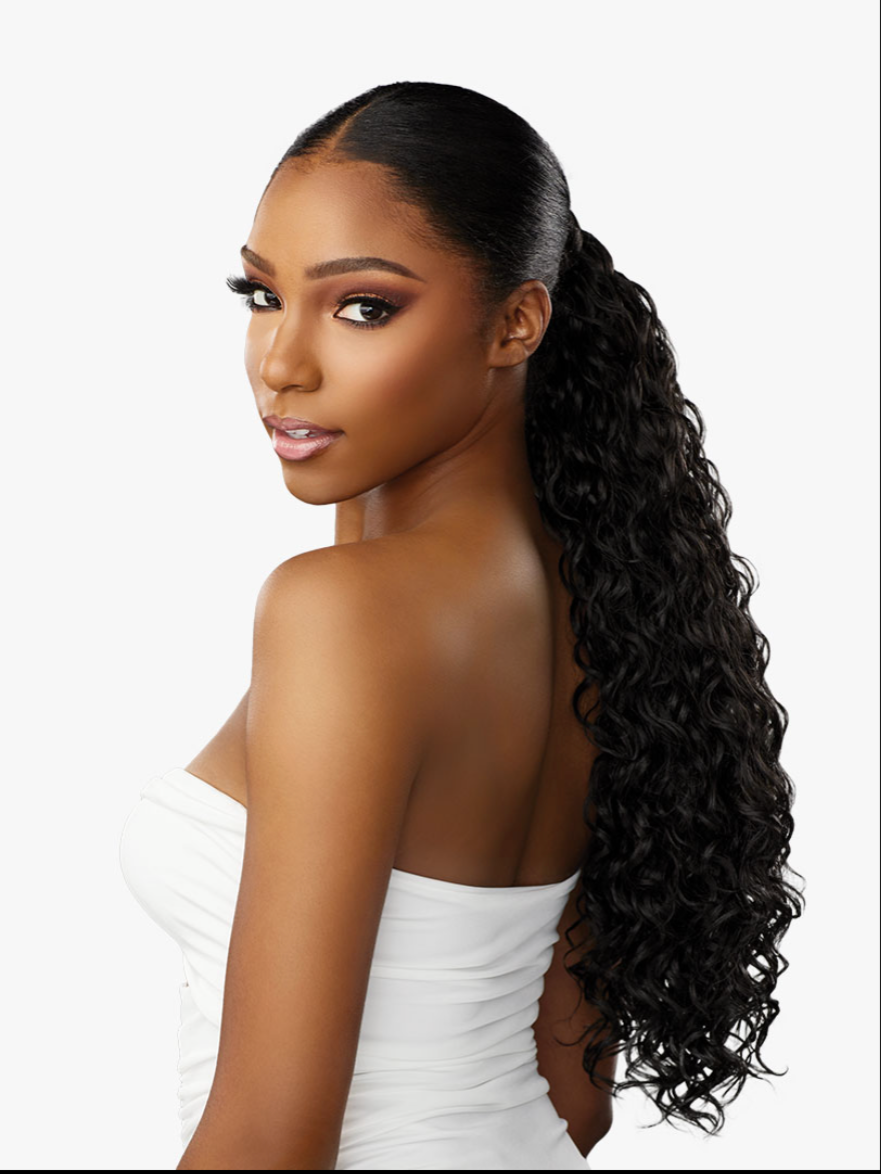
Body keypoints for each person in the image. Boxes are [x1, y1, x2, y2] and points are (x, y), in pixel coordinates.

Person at [118, 80, 804, 1170]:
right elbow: (575, 1098)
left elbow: (271, 1138)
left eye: (362, 307)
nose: (281, 363)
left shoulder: (342, 612)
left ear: (516, 322)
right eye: (262, 295)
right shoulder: (609, 601)